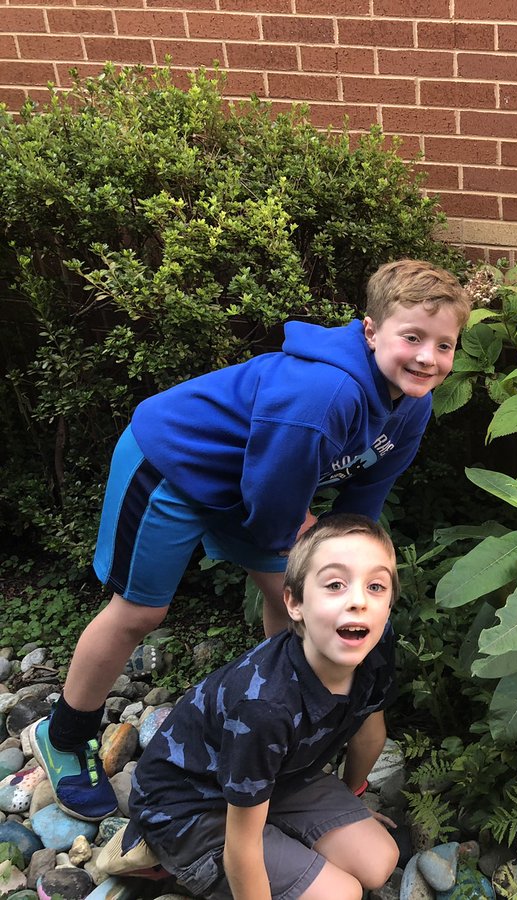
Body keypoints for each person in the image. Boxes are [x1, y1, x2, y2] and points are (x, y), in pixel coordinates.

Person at [30, 259, 469, 822]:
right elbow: (273, 505)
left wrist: (348, 565)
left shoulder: (413, 405)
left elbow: (363, 504)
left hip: (260, 482)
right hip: (175, 465)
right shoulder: (326, 393)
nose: (429, 358)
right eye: (413, 338)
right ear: (370, 330)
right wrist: (307, 555)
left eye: (445, 344)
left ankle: (288, 725)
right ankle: (65, 734)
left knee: (300, 602)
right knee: (140, 613)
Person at [123, 514, 401, 899]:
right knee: (342, 894)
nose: (358, 601)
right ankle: (162, 852)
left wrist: (349, 799)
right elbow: (243, 850)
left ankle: (277, 834)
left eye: (376, 586)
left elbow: (370, 733)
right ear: (295, 602)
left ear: (389, 603)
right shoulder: (265, 706)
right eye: (335, 584)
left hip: (279, 776)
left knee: (378, 861)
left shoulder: (376, 643)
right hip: (193, 804)